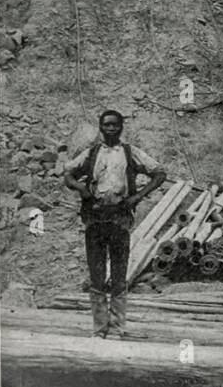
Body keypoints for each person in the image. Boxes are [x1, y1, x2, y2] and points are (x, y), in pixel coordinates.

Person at [64, 111, 167, 339]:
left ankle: (118, 327)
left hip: (120, 219)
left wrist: (136, 197)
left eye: (115, 125)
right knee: (97, 274)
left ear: (121, 127)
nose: (110, 129)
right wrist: (80, 188)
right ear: (100, 127)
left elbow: (159, 173)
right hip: (95, 219)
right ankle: (100, 328)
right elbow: (68, 172)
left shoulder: (130, 153)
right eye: (106, 125)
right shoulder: (91, 153)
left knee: (119, 275)